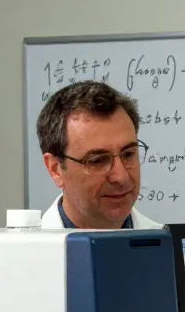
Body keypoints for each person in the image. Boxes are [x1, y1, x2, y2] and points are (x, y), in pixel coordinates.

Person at [38, 80, 160, 229]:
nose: (121, 177)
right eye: (98, 161)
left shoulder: (172, 247)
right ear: (55, 169)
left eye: (128, 154)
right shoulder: (20, 252)